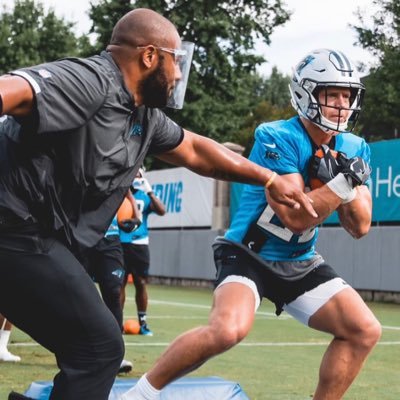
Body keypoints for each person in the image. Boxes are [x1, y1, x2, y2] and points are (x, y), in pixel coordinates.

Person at [0, 7, 316, 400]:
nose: (180, 74)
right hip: (15, 230)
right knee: (100, 348)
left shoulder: (144, 117)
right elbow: (9, 89)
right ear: (149, 56)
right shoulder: (91, 80)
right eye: (176, 61)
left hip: (36, 240)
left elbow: (198, 150)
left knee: (92, 347)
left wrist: (268, 178)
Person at [122, 48, 382, 400]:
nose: (341, 103)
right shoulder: (276, 136)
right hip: (250, 254)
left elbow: (360, 226)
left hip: (300, 259)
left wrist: (348, 189)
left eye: (347, 95)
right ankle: (138, 394)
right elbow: (295, 215)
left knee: (364, 329)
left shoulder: (354, 146)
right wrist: (340, 185)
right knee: (227, 329)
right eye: (331, 94)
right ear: (307, 94)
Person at [82, 191, 140, 374]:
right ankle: (79, 352)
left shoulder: (116, 165)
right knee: (80, 294)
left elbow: (126, 190)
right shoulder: (78, 163)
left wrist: (136, 217)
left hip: (110, 239)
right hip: (82, 236)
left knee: (114, 292)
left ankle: (116, 356)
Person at [120, 168, 166, 336]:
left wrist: (150, 191)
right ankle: (117, 323)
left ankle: (143, 322)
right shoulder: (118, 193)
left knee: (140, 283)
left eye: (138, 174)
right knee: (119, 283)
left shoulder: (144, 194)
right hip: (120, 242)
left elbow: (162, 210)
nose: (136, 176)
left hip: (139, 244)